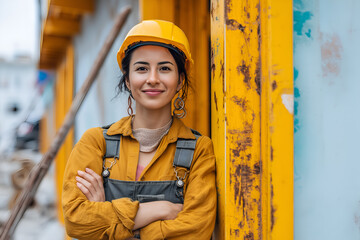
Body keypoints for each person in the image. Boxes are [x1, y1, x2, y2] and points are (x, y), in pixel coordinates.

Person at [62, 20, 216, 240]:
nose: (152, 79)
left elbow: (195, 231)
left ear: (180, 80)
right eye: (142, 68)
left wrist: (107, 218)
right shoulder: (95, 142)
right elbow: (76, 221)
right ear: (127, 79)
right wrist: (158, 210)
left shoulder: (199, 150)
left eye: (164, 68)